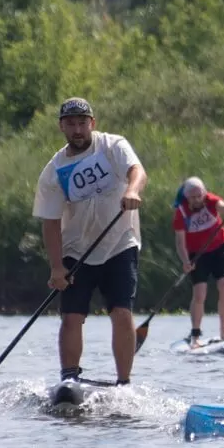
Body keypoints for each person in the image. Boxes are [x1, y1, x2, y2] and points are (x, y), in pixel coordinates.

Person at [33, 98, 147, 385]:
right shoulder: (54, 171)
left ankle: (124, 383)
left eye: (82, 123)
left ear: (92, 124)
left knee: (121, 311)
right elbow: (50, 221)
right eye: (71, 124)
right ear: (61, 127)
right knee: (72, 317)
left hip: (120, 241)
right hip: (77, 249)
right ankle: (69, 380)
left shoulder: (112, 146)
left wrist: (132, 190)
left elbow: (137, 171)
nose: (77, 130)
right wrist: (56, 268)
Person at [173, 176, 224, 347]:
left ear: (203, 193)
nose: (197, 200)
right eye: (193, 198)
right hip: (197, 254)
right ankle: (195, 335)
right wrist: (186, 261)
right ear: (187, 197)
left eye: (199, 196)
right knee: (200, 293)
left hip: (219, 248)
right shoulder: (181, 212)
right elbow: (180, 243)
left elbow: (222, 206)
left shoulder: (210, 200)